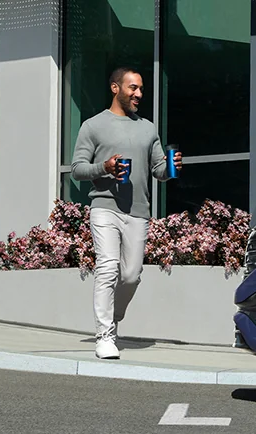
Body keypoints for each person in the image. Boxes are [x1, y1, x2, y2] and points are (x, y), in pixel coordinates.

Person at [69, 66, 182, 360]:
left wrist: (171, 169)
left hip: (138, 211)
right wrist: (104, 168)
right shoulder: (92, 126)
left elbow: (158, 170)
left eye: (141, 89)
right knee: (107, 267)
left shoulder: (148, 128)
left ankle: (114, 314)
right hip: (104, 207)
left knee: (131, 275)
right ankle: (104, 335)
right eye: (133, 88)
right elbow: (77, 170)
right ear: (115, 88)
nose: (139, 94)